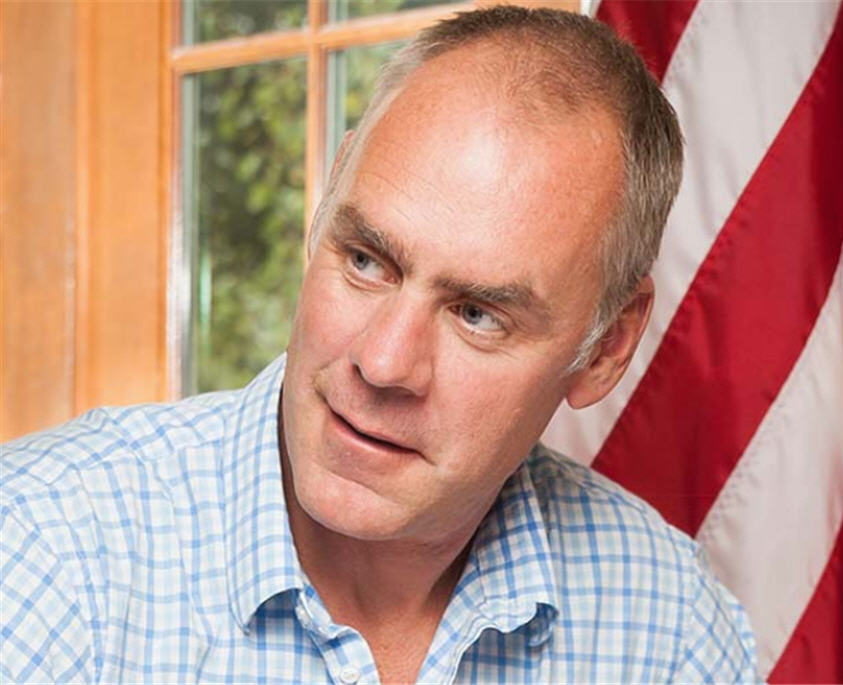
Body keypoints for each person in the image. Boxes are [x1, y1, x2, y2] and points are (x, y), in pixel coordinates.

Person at [1, 6, 757, 684]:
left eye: (476, 314)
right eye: (366, 261)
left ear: (605, 349)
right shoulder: (42, 555)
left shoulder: (671, 625)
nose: (383, 362)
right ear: (329, 195)